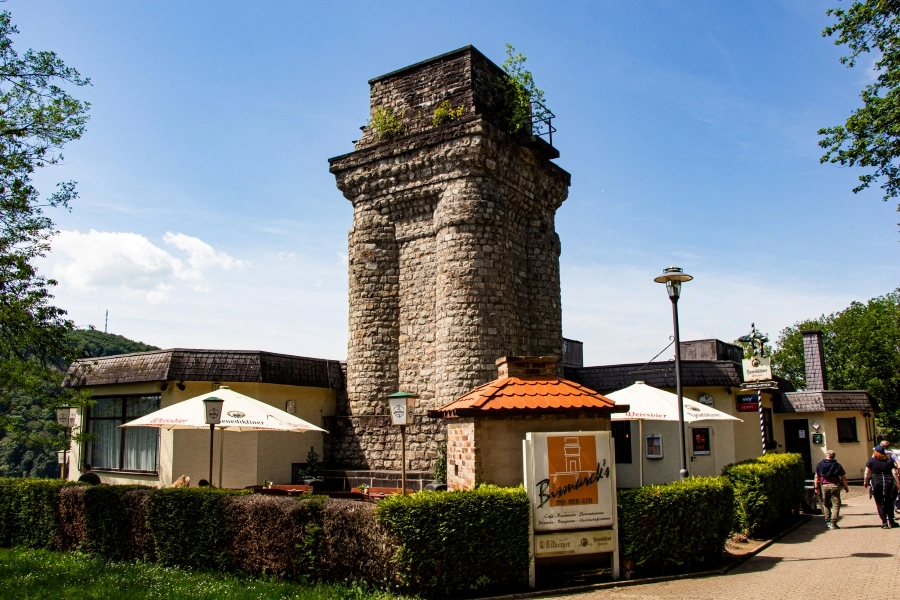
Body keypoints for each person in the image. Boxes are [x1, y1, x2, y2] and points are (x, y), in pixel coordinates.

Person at [864, 446, 900, 528]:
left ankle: (884, 522)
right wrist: (898, 483)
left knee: (879, 502)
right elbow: (894, 472)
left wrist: (865, 481)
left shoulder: (871, 461)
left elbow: (867, 472)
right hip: (888, 483)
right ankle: (891, 520)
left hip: (877, 482)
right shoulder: (889, 460)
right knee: (889, 501)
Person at [815, 450, 849, 529]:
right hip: (835, 485)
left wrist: (816, 487)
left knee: (826, 504)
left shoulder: (819, 464)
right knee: (836, 504)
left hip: (824, 486)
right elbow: (843, 477)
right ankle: (833, 522)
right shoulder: (837, 465)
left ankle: (827, 521)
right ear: (834, 456)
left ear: (826, 455)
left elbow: (817, 477)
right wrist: (846, 486)